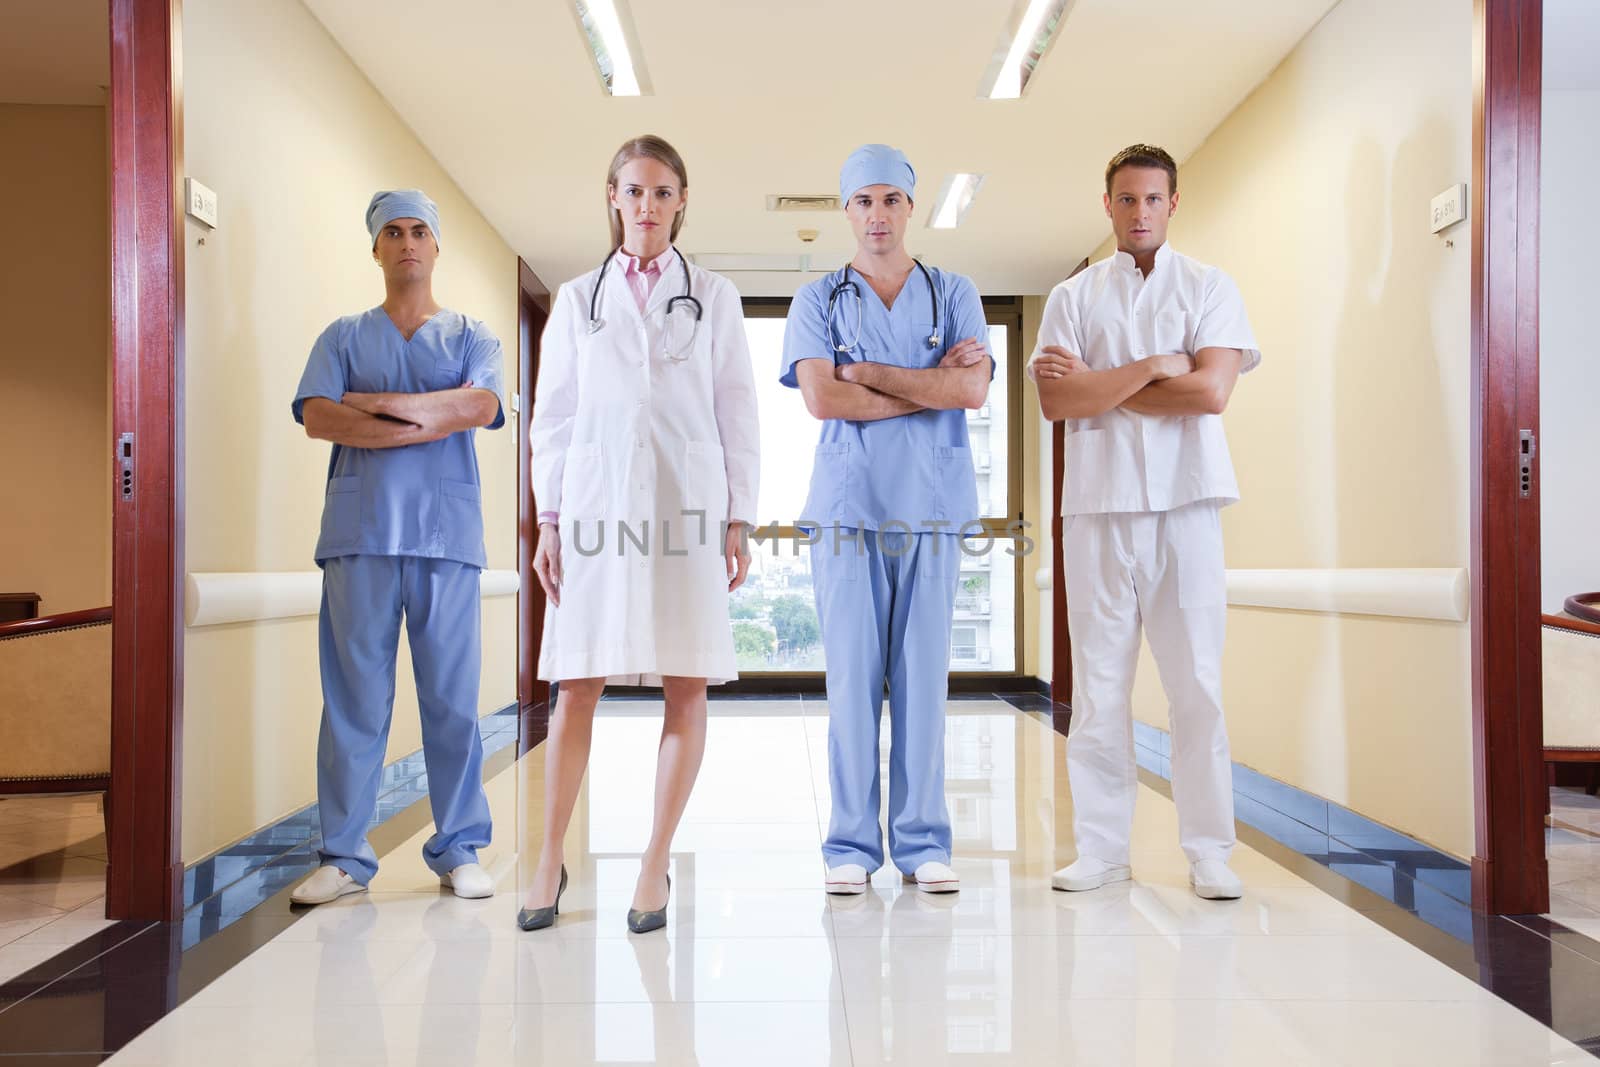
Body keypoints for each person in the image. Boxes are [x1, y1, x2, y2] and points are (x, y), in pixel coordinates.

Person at [521, 135, 760, 933]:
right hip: (593, 510)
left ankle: (654, 863)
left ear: (681, 201)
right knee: (576, 684)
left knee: (685, 681)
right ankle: (548, 856)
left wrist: (738, 516)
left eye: (662, 192)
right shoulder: (576, 298)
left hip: (686, 507)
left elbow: (737, 412)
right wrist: (549, 519)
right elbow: (552, 420)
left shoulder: (715, 296)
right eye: (634, 191)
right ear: (612, 198)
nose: (647, 206)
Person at [1030, 144, 1260, 900]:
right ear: (1108, 205)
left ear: (1173, 201)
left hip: (1187, 506)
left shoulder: (1209, 287)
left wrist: (1104, 385)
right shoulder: (1073, 297)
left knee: (1197, 683)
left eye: (1152, 199)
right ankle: (1101, 849)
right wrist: (1156, 366)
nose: (1139, 213)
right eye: (1126, 200)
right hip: (1096, 510)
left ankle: (1208, 850)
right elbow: (1058, 402)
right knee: (1098, 690)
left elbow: (1211, 394)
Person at [780, 144, 993, 896]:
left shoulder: (955, 291)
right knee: (852, 684)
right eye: (863, 201)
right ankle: (849, 845)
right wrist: (931, 383)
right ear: (846, 210)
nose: (877, 215)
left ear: (912, 207)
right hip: (848, 511)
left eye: (891, 200)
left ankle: (924, 841)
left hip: (932, 511)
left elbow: (973, 393)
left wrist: (868, 372)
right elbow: (822, 400)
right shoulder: (818, 300)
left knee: (923, 683)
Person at [289, 189, 504, 905]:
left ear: (437, 247)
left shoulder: (474, 336)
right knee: (353, 703)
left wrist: (374, 404)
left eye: (419, 231)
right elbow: (319, 416)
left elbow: (480, 405)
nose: (407, 242)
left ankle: (460, 846)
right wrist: (429, 416)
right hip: (361, 538)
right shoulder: (342, 336)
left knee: (452, 703)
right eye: (393, 231)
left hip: (446, 541)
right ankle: (345, 856)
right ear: (375, 248)